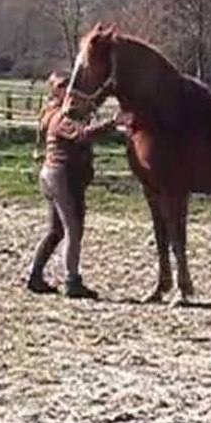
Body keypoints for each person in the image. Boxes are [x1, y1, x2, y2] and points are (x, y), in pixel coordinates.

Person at [25, 72, 130, 299]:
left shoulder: (60, 114)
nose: (68, 90)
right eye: (63, 86)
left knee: (56, 231)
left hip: (55, 176)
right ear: (54, 90)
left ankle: (35, 276)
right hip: (61, 177)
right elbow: (82, 135)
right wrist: (114, 122)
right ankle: (72, 281)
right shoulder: (60, 117)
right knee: (73, 229)